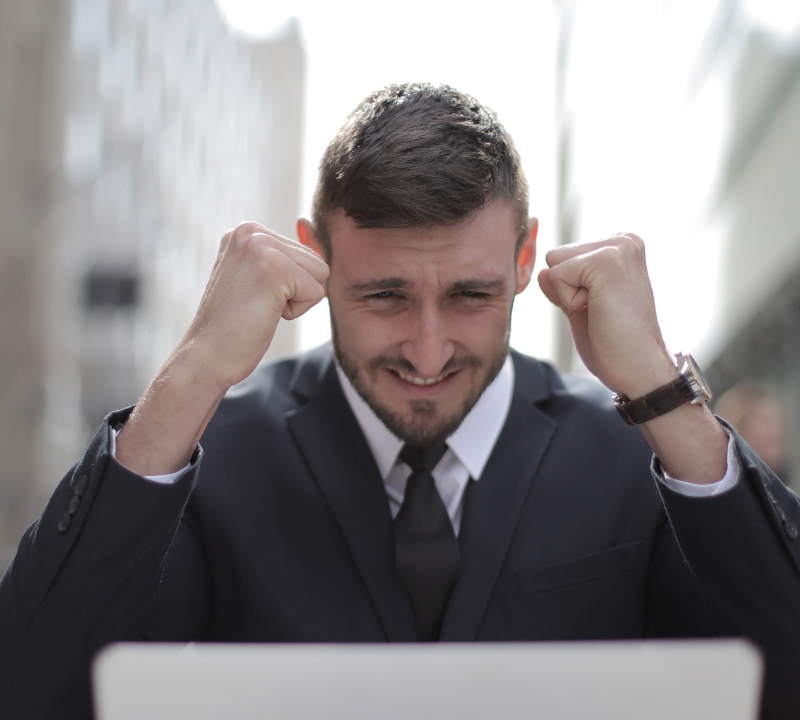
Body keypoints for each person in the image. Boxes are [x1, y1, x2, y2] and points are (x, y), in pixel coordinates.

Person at [1, 83, 798, 720]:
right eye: (384, 295)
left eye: (470, 295)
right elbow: (33, 690)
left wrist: (665, 396)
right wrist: (196, 369)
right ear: (314, 260)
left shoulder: (636, 455)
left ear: (525, 259)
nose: (426, 349)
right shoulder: (218, 455)